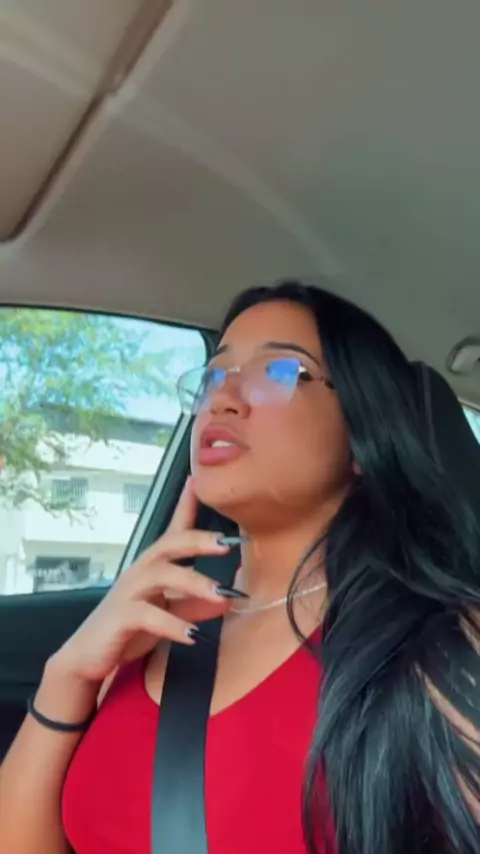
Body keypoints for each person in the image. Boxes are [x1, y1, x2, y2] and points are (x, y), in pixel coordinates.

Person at [1, 280, 480, 854]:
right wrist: (68, 677)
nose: (223, 397)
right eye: (212, 377)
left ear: (362, 432)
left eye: (278, 372)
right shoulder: (147, 628)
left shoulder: (437, 646)